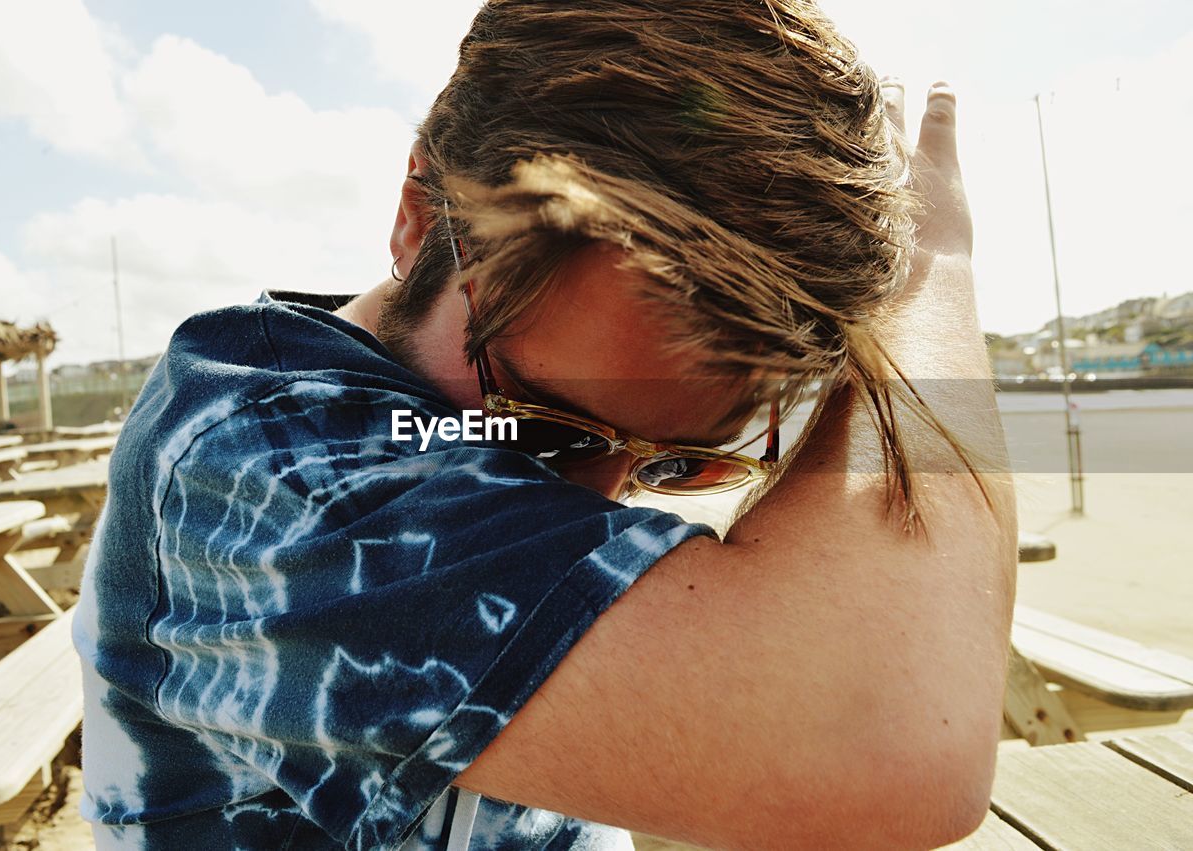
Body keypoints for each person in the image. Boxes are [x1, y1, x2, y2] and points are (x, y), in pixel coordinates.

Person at [75, 2, 1016, 848]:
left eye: (680, 465)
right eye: (545, 426)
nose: (603, 501)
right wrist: (932, 275)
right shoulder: (257, 462)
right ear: (415, 220)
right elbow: (894, 742)